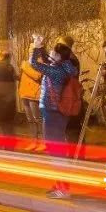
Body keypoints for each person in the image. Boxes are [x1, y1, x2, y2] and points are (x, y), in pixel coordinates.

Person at [31, 37, 78, 199]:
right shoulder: (62, 66)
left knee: (56, 152)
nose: (50, 52)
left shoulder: (56, 71)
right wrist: (40, 47)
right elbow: (46, 59)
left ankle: (63, 189)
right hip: (56, 114)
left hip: (52, 114)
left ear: (58, 56)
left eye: (54, 51)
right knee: (57, 150)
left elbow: (34, 64)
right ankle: (60, 185)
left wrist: (36, 47)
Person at [19, 43, 43, 149]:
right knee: (30, 119)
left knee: (38, 119)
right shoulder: (26, 62)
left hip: (34, 94)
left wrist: (24, 66)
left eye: (33, 49)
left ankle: (43, 141)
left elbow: (37, 76)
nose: (30, 51)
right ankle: (34, 141)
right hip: (25, 93)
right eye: (30, 49)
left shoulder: (40, 62)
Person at [0, 49, 17, 138]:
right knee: (8, 127)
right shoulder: (10, 67)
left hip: (2, 102)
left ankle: (6, 145)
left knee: (3, 127)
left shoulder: (1, 67)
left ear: (1, 57)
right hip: (9, 101)